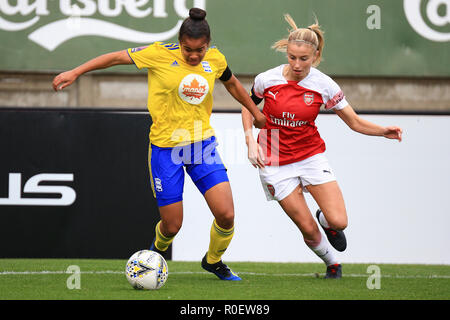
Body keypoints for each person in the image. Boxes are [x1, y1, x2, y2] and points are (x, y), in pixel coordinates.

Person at [53, 8, 266, 281]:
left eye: (199, 50)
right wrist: (76, 71)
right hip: (166, 150)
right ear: (179, 42)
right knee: (172, 225)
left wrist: (255, 111)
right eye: (187, 49)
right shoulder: (158, 53)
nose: (193, 55)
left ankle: (213, 261)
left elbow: (233, 83)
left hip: (202, 145)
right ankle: (157, 251)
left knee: (226, 215)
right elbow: (116, 57)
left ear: (208, 45)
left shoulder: (215, 59)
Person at [242, 14, 402, 278]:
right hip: (273, 161)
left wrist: (382, 131)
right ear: (287, 52)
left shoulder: (323, 85)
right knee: (306, 228)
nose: (296, 64)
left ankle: (325, 220)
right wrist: (250, 139)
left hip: (310, 156)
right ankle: (332, 264)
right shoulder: (266, 80)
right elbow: (247, 107)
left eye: (303, 59)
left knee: (339, 221)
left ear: (315, 56)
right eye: (292, 57)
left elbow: (353, 121)